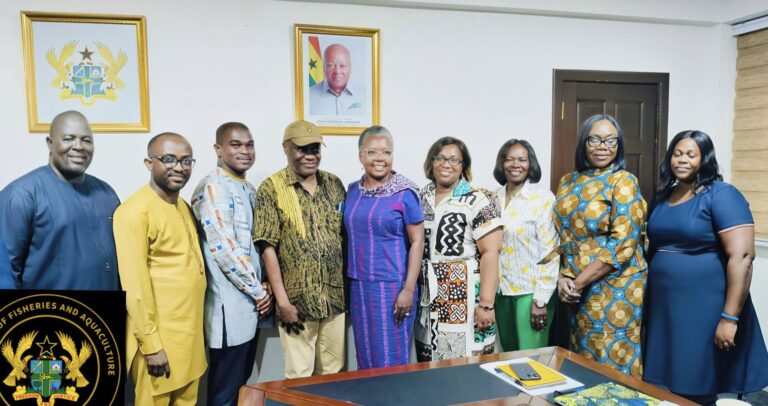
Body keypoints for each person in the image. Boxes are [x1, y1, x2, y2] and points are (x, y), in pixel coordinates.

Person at [643, 130, 768, 403]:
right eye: (677, 153)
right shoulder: (666, 194)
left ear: (705, 158)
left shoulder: (721, 194)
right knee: (672, 380)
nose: (682, 160)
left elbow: (743, 256)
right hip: (668, 306)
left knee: (698, 378)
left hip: (705, 306)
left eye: (691, 154)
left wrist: (730, 318)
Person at [114, 133, 206, 405]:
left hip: (189, 342)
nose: (179, 167)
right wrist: (152, 346)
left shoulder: (183, 206)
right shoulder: (134, 211)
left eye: (186, 161)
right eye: (168, 159)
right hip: (158, 344)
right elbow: (135, 287)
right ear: (148, 163)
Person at [553, 114, 647, 378]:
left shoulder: (623, 180)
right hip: (574, 285)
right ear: (584, 142)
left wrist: (579, 282)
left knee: (612, 356)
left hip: (616, 283)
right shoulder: (568, 181)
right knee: (582, 355)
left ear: (619, 145)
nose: (603, 146)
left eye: (610, 140)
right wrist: (564, 278)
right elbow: (563, 236)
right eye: (595, 139)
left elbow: (623, 242)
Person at [252, 120, 346, 378]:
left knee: (334, 376)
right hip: (296, 303)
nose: (310, 155)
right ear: (286, 148)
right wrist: (282, 302)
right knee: (299, 378)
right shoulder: (271, 188)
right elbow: (267, 248)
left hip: (334, 301)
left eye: (315, 149)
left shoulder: (334, 185)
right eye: (302, 149)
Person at [191, 122, 274, 405]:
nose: (244, 150)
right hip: (229, 310)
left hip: (249, 306)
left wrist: (264, 286)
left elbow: (252, 247)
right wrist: (259, 291)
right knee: (225, 394)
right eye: (235, 145)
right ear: (218, 149)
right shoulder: (214, 186)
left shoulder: (246, 187)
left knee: (240, 387)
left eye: (249, 144)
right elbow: (225, 249)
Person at [0, 110, 120, 290]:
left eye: (86, 140)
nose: (79, 146)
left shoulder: (107, 193)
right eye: (68, 138)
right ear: (50, 143)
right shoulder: (21, 195)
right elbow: (5, 273)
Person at [415, 136, 503, 361]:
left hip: (465, 300)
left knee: (465, 369)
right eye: (441, 158)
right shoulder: (421, 196)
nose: (447, 164)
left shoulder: (477, 200)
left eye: (455, 160)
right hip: (428, 299)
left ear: (464, 166)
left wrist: (486, 304)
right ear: (431, 162)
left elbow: (491, 253)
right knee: (430, 365)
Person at [344, 126, 424, 369]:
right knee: (365, 357)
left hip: (393, 288)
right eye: (372, 152)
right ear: (360, 156)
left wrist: (408, 289)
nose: (379, 158)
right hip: (359, 287)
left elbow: (418, 241)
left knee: (391, 360)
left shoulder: (404, 193)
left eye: (386, 152)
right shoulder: (353, 190)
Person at [492, 139, 558, 351]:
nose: (515, 164)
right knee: (508, 360)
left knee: (533, 363)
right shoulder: (495, 197)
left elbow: (551, 251)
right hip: (501, 292)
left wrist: (541, 301)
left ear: (531, 164)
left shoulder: (542, 198)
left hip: (531, 293)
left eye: (522, 159)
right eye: (509, 159)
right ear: (502, 164)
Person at [308, 43, 366, 116]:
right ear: (324, 67)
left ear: (350, 67)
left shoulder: (365, 96)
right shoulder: (308, 97)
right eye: (330, 65)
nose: (337, 71)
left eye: (342, 66)